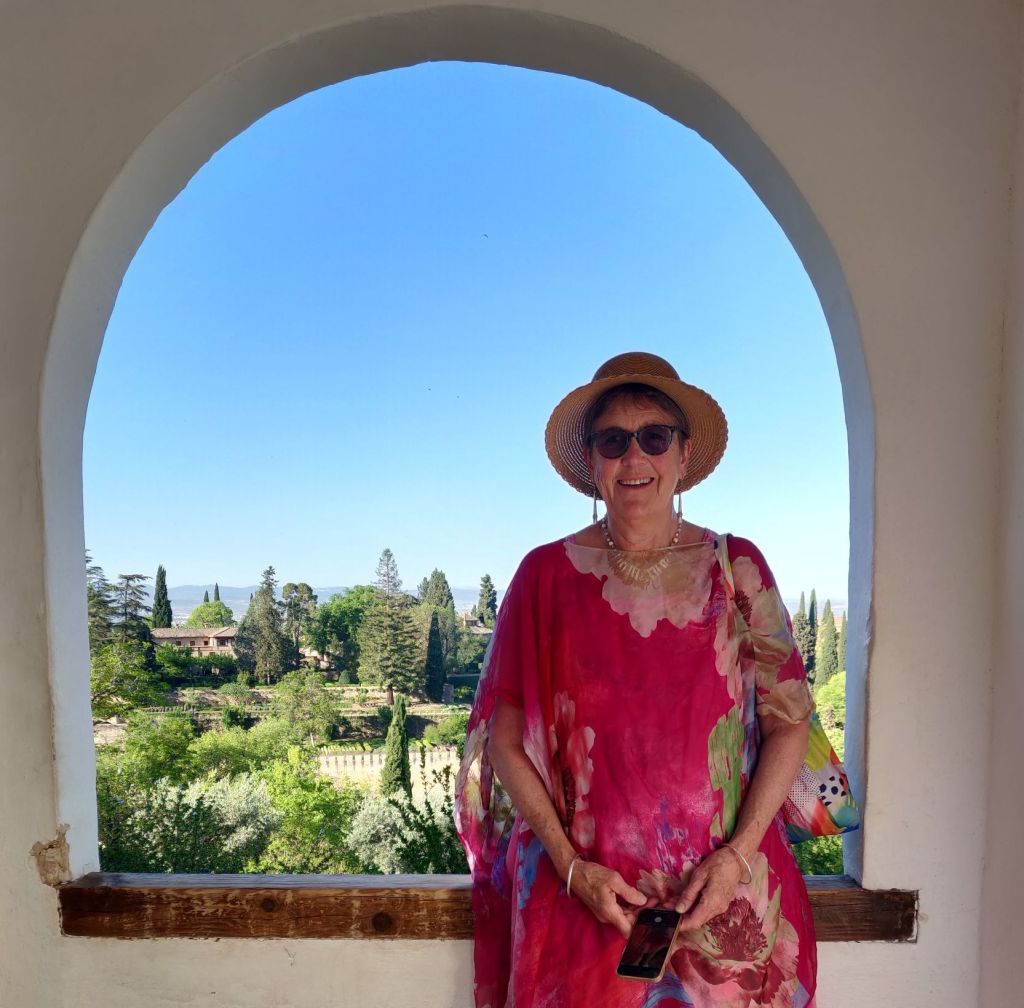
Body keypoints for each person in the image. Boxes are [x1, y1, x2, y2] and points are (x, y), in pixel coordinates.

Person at [455, 352, 818, 1008]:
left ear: (683, 455)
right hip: (586, 905)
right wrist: (571, 868)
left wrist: (735, 858)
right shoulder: (543, 579)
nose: (634, 457)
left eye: (654, 437)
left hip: (725, 904)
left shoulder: (736, 569)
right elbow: (504, 744)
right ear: (591, 462)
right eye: (613, 441)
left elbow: (789, 722)